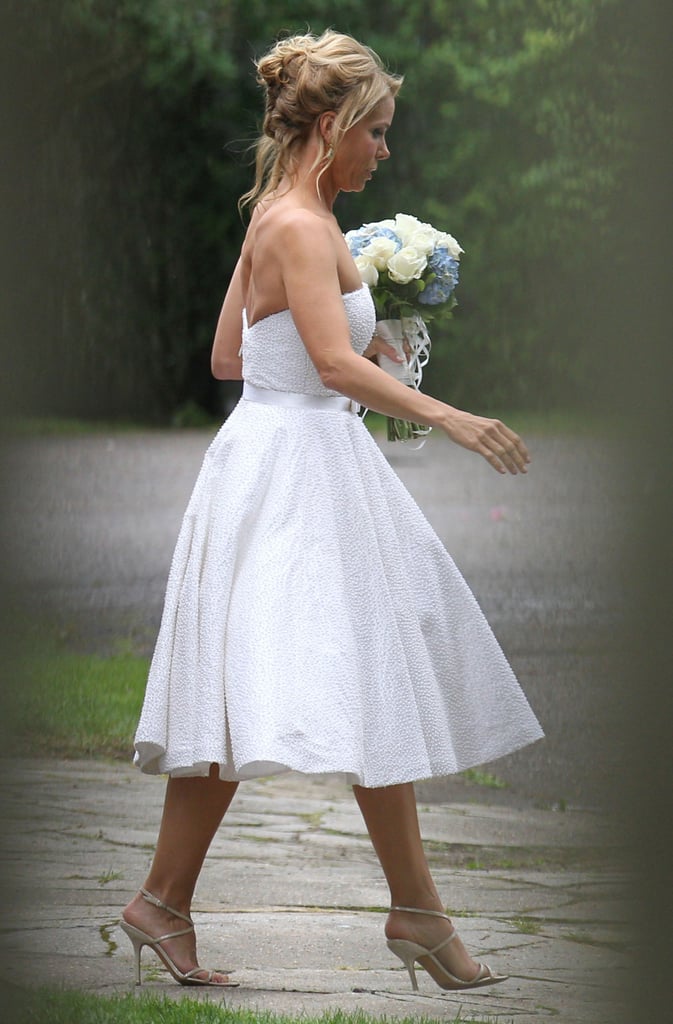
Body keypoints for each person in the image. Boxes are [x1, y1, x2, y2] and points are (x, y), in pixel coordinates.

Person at [121, 29, 543, 993]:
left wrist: (363, 336)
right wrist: (452, 416)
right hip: (298, 474)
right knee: (362, 672)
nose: (385, 152)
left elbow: (233, 357)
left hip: (275, 459)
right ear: (333, 124)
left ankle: (172, 903)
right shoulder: (300, 227)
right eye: (378, 132)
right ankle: (416, 914)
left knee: (333, 676)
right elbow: (326, 364)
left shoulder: (279, 213)